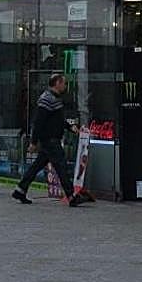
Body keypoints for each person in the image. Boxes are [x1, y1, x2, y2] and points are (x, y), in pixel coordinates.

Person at [12, 73, 88, 207]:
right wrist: (33, 142)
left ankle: (20, 189)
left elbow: (57, 120)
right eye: (64, 83)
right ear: (57, 83)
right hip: (50, 140)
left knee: (37, 166)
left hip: (50, 140)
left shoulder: (54, 99)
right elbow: (38, 122)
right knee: (61, 166)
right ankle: (71, 196)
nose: (65, 86)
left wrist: (70, 127)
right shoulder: (47, 99)